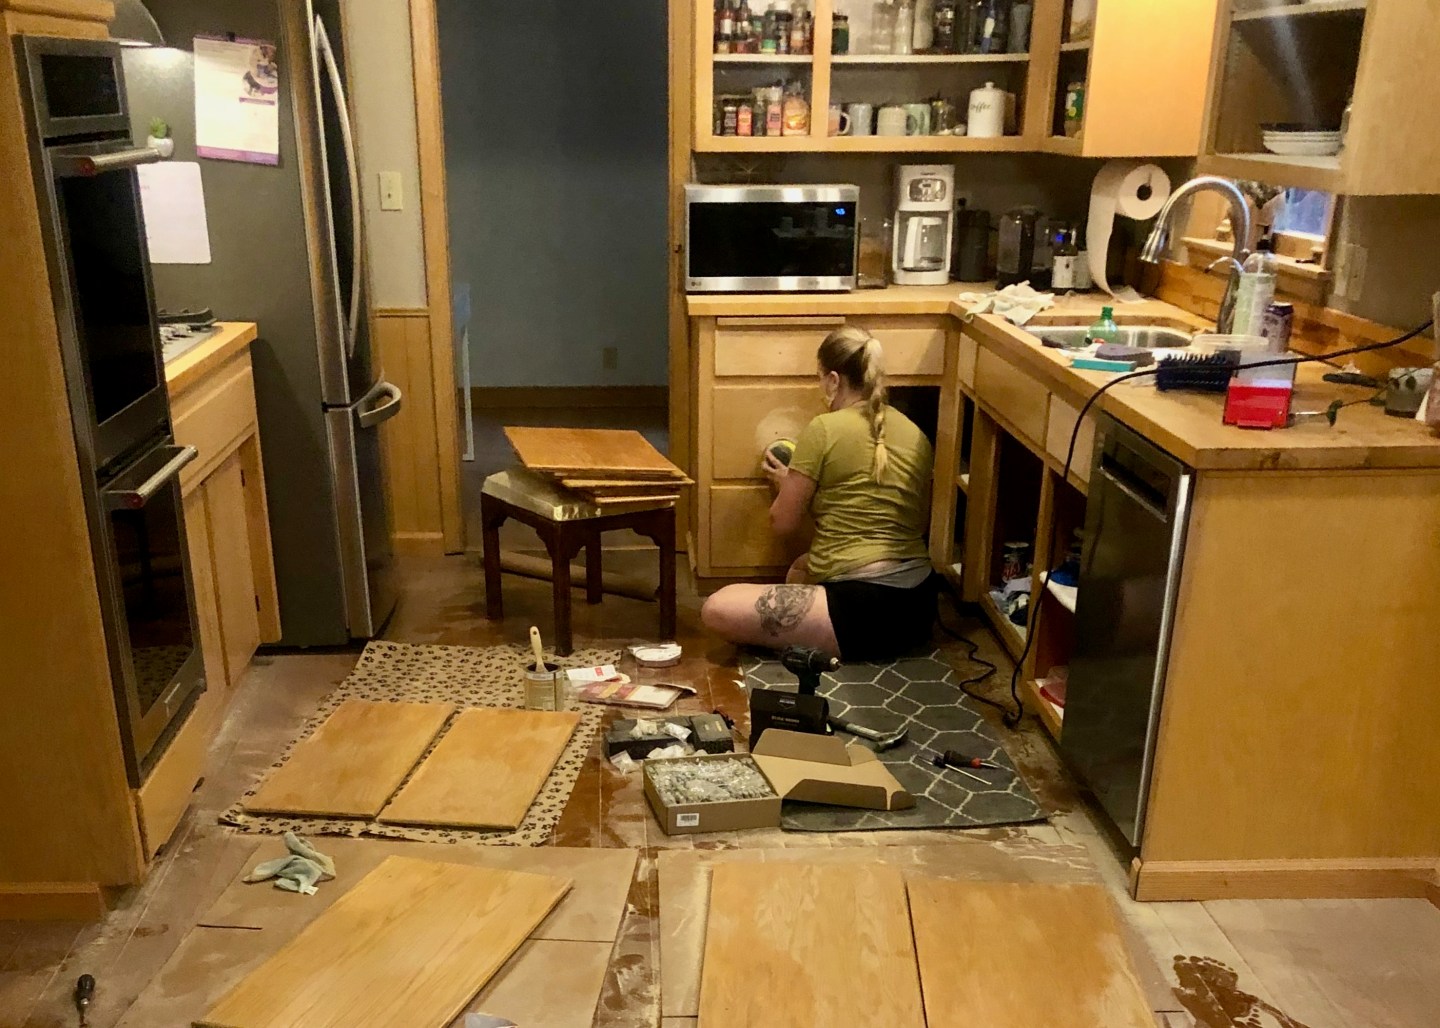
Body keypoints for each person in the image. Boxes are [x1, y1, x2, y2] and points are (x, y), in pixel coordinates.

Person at [701, 326, 936, 661]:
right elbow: (918, 522)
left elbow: (782, 522)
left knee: (718, 607)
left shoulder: (824, 428)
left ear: (833, 380)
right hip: (919, 603)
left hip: (862, 611)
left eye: (820, 377)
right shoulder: (915, 434)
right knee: (801, 568)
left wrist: (789, 486)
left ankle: (821, 644)